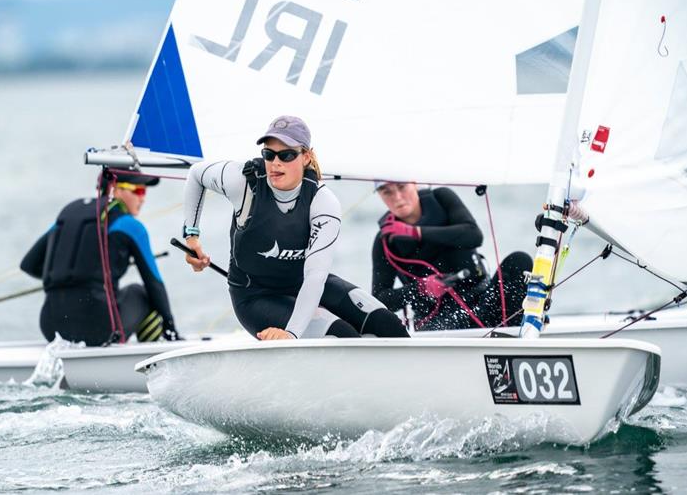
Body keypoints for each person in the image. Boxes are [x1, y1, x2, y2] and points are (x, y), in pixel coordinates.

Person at [181, 115, 409, 340]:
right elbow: (196, 174)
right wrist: (192, 237)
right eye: (269, 154)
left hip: (304, 284)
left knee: (389, 325)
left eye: (286, 155)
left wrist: (291, 333)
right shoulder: (243, 182)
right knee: (342, 336)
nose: (275, 163)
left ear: (306, 157)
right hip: (255, 297)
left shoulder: (323, 201)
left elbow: (315, 276)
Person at [20, 172, 179, 345]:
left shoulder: (69, 214)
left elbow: (28, 264)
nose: (143, 199)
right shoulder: (130, 225)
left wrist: (64, 277)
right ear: (115, 190)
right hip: (100, 327)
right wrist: (171, 328)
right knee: (140, 292)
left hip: (52, 327)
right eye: (139, 191)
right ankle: (153, 359)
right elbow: (154, 284)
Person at [372, 181, 533, 330]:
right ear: (380, 195)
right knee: (443, 324)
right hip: (440, 322)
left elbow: (474, 235)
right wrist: (420, 289)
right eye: (387, 192)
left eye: (401, 187)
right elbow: (380, 299)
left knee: (519, 260)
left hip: (483, 301)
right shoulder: (385, 241)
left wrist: (416, 232)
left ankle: (516, 337)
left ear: (413, 183)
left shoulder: (441, 198)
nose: (397, 197)